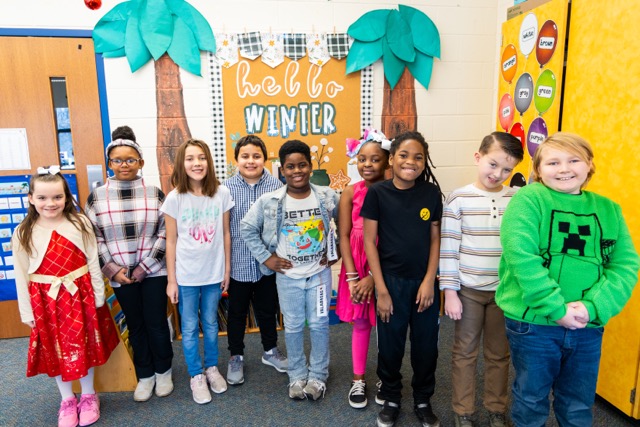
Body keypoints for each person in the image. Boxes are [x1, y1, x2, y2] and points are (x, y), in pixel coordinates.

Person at [496, 132, 640, 426]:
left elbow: (625, 266)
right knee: (530, 399)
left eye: (574, 160)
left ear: (589, 165)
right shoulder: (528, 199)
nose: (564, 169)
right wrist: (557, 309)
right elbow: (522, 257)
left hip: (587, 325)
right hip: (534, 325)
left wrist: (593, 307)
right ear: (538, 170)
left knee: (578, 404)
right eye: (553, 162)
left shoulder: (608, 209)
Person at [13, 169, 119, 427]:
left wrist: (97, 295)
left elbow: (93, 259)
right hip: (45, 301)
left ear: (66, 197)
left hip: (79, 295)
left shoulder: (79, 223)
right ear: (30, 198)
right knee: (56, 349)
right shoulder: (23, 232)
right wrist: (27, 312)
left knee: (84, 346)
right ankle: (67, 399)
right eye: (42, 198)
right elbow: (20, 274)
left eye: (57, 197)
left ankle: (89, 395)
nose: (50, 203)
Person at [240, 140, 339, 401]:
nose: (297, 171)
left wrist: (335, 250)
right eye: (290, 167)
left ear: (310, 166)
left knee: (319, 324)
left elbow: (348, 223)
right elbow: (246, 228)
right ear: (282, 170)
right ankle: (297, 374)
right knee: (293, 326)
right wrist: (267, 258)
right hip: (288, 278)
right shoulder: (269, 201)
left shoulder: (328, 196)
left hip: (318, 275)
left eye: (302, 165)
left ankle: (318, 375)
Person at [439, 132, 524, 427]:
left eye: (506, 169)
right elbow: (448, 248)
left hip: (505, 293)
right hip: (468, 291)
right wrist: (450, 291)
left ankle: (496, 409)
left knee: (500, 354)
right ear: (478, 157)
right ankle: (463, 412)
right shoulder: (459, 198)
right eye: (492, 164)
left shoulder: (517, 199)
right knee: (464, 352)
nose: (497, 174)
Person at [361, 131, 443, 427]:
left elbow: (435, 239)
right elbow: (370, 242)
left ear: (425, 162)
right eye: (404, 155)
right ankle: (392, 396)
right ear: (392, 159)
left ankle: (423, 399)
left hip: (424, 285)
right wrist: (381, 290)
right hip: (390, 284)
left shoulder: (431, 194)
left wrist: (428, 281)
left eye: (418, 157)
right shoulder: (378, 193)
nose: (411, 161)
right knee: (391, 345)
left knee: (426, 346)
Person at [85, 136, 173, 403]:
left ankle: (164, 371)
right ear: (109, 163)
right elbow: (94, 238)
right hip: (120, 274)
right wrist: (112, 269)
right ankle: (145, 374)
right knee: (136, 325)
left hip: (154, 270)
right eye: (118, 160)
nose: (124, 164)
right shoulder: (97, 197)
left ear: (141, 162)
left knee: (156, 323)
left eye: (130, 159)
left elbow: (165, 233)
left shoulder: (155, 192)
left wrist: (144, 267)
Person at [162, 139, 234, 405]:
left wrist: (226, 269)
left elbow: (226, 233)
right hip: (186, 276)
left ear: (209, 162)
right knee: (190, 327)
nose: (197, 163)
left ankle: (212, 368)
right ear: (182, 163)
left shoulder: (221, 194)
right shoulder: (174, 198)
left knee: (213, 325)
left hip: (214, 274)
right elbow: (170, 240)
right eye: (190, 158)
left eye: (201, 158)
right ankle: (196, 374)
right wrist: (172, 280)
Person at [222, 135, 287, 385]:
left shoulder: (277, 186)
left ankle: (270, 351)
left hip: (268, 265)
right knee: (236, 313)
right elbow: (224, 230)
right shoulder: (225, 189)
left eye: (256, 156)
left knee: (267, 310)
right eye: (245, 156)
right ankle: (236, 355)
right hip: (238, 263)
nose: (251, 161)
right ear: (236, 159)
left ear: (265, 158)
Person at [337, 129, 390, 408]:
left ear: (387, 162)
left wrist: (373, 277)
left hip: (383, 265)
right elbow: (344, 235)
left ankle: (386, 377)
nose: (367, 165)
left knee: (385, 324)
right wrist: (353, 277)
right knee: (360, 323)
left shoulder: (393, 192)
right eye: (362, 159)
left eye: (375, 159)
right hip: (355, 267)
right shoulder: (349, 192)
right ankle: (358, 379)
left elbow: (393, 238)